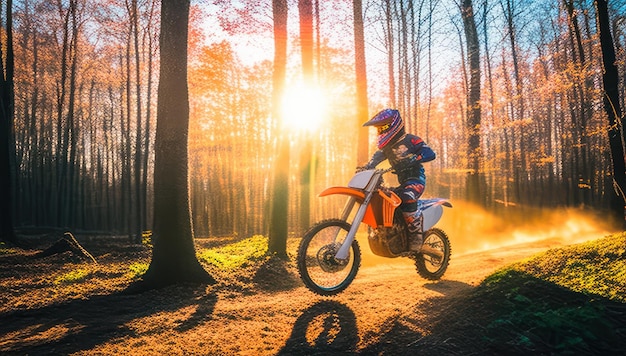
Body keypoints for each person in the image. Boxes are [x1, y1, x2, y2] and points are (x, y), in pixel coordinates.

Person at [361, 108, 437, 255]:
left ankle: (416, 238)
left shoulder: (410, 139)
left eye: (382, 128)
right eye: (378, 129)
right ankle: (390, 233)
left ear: (393, 125)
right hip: (403, 183)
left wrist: (413, 159)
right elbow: (373, 161)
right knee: (383, 197)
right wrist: (366, 168)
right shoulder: (385, 149)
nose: (380, 131)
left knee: (407, 196)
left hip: (416, 180)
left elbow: (430, 153)